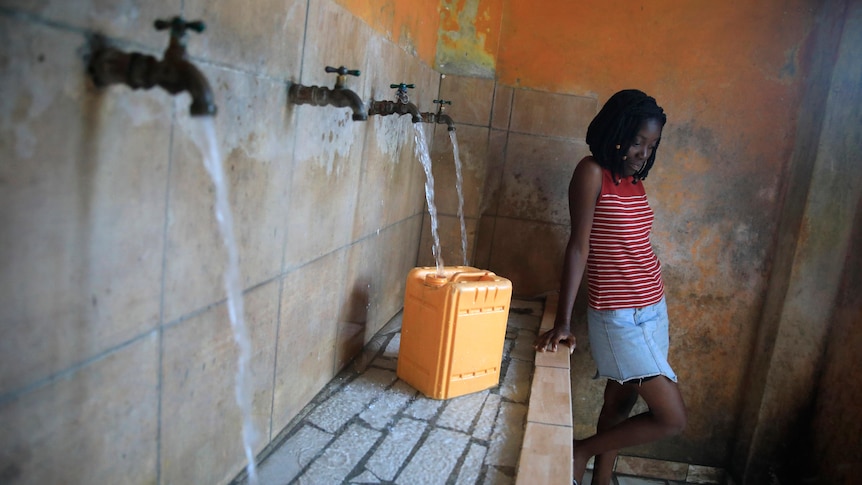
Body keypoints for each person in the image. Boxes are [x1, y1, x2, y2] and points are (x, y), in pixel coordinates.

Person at [533, 89, 687, 485]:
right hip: (620, 318)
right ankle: (581, 450)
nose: (644, 153)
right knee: (671, 418)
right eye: (637, 141)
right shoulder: (591, 172)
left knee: (620, 402)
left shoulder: (634, 181)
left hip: (653, 308)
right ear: (616, 131)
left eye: (651, 146)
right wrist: (565, 321)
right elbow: (579, 246)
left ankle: (601, 478)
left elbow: (634, 245)